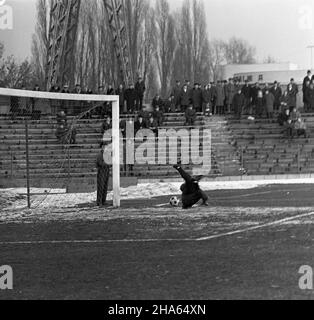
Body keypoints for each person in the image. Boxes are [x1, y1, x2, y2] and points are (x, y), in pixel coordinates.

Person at [96, 142, 110, 207]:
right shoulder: (100, 154)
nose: (105, 148)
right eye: (104, 147)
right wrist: (107, 163)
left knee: (105, 187)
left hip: (107, 171)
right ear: (102, 147)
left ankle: (103, 201)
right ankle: (99, 202)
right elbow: (100, 163)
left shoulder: (107, 154)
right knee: (100, 187)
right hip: (101, 172)